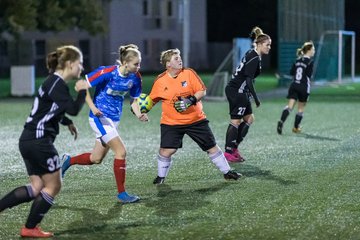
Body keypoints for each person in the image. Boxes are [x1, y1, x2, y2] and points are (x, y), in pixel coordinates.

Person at [0, 45, 88, 238]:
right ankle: (30, 228)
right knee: (54, 186)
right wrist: (82, 91)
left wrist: (67, 122)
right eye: (79, 63)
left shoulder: (51, 82)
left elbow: (49, 111)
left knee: (37, 187)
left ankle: (27, 226)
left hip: (28, 139)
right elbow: (72, 108)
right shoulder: (57, 84)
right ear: (70, 64)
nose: (82, 67)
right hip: (39, 142)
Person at [61, 44, 148, 203]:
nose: (139, 67)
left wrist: (139, 114)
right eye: (136, 63)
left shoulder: (135, 77)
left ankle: (68, 161)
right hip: (98, 119)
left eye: (139, 63)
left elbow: (134, 101)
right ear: (125, 62)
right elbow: (82, 86)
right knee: (121, 152)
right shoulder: (107, 72)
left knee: (96, 158)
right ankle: (122, 194)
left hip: (113, 120)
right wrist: (93, 107)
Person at [149, 48, 240, 185]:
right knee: (167, 151)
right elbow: (152, 99)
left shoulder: (189, 73)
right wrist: (142, 110)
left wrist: (190, 101)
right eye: (176, 58)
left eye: (179, 57)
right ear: (168, 64)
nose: (180, 60)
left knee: (211, 146)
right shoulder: (160, 81)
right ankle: (161, 177)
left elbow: (202, 91)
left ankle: (227, 172)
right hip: (171, 123)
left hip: (196, 120)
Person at [224, 26, 271, 162]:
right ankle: (228, 152)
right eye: (267, 45)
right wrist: (256, 99)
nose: (269, 47)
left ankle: (234, 148)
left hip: (241, 90)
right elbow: (249, 81)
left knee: (249, 119)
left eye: (270, 45)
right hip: (236, 90)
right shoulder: (254, 57)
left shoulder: (254, 54)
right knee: (236, 120)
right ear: (260, 44)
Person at [277, 41, 315, 134]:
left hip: (294, 85)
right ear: (309, 50)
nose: (314, 51)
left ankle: (281, 121)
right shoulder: (310, 61)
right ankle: (295, 127)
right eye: (313, 49)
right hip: (303, 87)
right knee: (300, 109)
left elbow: (292, 73)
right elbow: (309, 75)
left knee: (289, 107)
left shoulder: (297, 60)